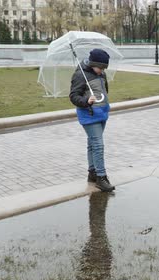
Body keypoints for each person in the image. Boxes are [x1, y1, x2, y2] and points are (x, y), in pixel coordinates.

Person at [69, 48, 115, 192]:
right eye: (99, 67)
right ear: (92, 63)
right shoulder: (80, 75)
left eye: (103, 68)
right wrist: (86, 101)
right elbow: (73, 96)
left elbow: (104, 90)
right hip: (89, 114)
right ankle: (101, 177)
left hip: (101, 113)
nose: (101, 71)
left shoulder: (101, 73)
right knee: (98, 145)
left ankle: (92, 173)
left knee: (92, 144)